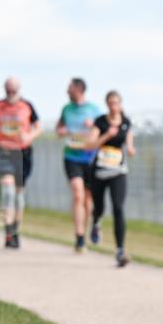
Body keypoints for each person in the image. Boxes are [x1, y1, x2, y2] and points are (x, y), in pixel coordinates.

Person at [0, 77, 41, 249]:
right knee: (7, 191)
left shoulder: (27, 106)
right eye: (8, 90)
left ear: (19, 89)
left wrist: (29, 136)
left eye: (13, 90)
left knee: (18, 195)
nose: (10, 93)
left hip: (23, 152)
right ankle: (8, 231)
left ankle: (16, 228)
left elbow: (38, 127)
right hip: (4, 151)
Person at [84, 90, 135, 267]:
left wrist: (130, 150)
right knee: (99, 207)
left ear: (120, 104)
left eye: (116, 102)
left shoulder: (126, 122)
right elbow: (88, 145)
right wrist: (106, 135)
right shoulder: (100, 122)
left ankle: (120, 250)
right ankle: (96, 222)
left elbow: (129, 144)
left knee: (118, 208)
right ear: (107, 104)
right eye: (110, 103)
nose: (114, 106)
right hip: (99, 172)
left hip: (118, 171)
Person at [55, 78, 99, 253]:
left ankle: (87, 230)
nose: (67, 91)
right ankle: (79, 236)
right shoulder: (66, 109)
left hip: (89, 158)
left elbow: (102, 131)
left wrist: (93, 126)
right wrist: (61, 131)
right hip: (71, 157)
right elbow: (59, 128)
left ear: (79, 89)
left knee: (88, 201)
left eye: (70, 89)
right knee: (78, 195)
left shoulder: (94, 110)